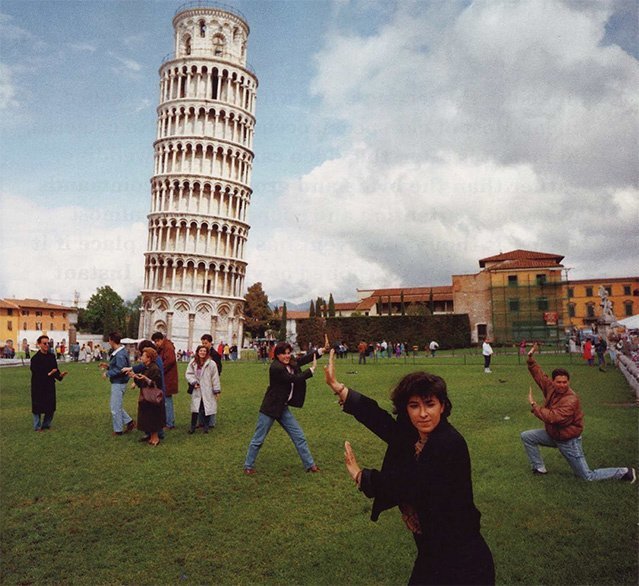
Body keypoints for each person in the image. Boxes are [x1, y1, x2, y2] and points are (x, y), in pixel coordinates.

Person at [323, 349, 494, 585]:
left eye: (430, 404)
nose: (423, 413)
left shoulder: (448, 443)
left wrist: (361, 476)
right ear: (406, 409)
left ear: (442, 406)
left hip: (462, 561)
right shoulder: (416, 435)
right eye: (414, 406)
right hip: (433, 552)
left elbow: (407, 484)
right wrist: (338, 387)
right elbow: (381, 420)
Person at [521, 343, 635, 482]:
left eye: (565, 382)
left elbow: (554, 418)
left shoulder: (571, 399)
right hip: (554, 435)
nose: (562, 385)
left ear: (568, 382)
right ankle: (539, 468)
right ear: (553, 382)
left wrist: (534, 405)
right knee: (527, 437)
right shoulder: (551, 388)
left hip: (568, 441)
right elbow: (540, 377)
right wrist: (531, 359)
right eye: (559, 382)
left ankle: (624, 472)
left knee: (587, 476)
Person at [243, 338, 329, 475]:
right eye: (284, 353)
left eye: (289, 353)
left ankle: (310, 465)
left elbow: (303, 360)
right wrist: (310, 372)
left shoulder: (290, 361)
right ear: (277, 355)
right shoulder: (276, 367)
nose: (287, 356)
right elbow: (293, 379)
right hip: (270, 409)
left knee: (299, 436)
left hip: (282, 408)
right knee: (258, 439)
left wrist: (320, 351)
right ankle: (248, 466)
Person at [99, 332, 135, 436]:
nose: (108, 342)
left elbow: (121, 369)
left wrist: (108, 373)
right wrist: (108, 366)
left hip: (119, 383)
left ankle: (118, 430)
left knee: (115, 408)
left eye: (109, 340)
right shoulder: (121, 352)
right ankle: (129, 422)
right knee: (117, 405)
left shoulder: (119, 354)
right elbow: (120, 367)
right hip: (120, 382)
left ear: (111, 340)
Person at [30, 335, 68, 431]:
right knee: (37, 407)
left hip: (49, 385)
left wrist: (60, 376)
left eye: (48, 343)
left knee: (50, 406)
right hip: (38, 385)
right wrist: (49, 373)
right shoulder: (35, 359)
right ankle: (37, 426)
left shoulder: (51, 356)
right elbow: (36, 372)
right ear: (39, 344)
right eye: (45, 343)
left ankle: (46, 424)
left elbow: (55, 369)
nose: (47, 345)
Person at [130, 347, 165, 446]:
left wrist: (145, 378)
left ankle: (155, 438)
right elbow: (143, 382)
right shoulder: (147, 367)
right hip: (147, 397)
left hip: (153, 398)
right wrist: (135, 377)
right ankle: (150, 436)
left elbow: (155, 383)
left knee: (153, 417)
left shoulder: (154, 368)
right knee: (147, 417)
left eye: (143, 356)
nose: (141, 357)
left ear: (149, 358)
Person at [185, 345, 221, 433]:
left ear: (207, 353)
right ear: (198, 352)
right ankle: (192, 427)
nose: (202, 352)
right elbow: (189, 374)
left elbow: (215, 377)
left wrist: (216, 390)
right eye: (201, 351)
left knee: (206, 407)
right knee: (195, 408)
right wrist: (193, 382)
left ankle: (206, 427)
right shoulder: (193, 362)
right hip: (197, 388)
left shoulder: (211, 363)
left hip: (207, 388)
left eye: (204, 351)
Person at [151, 332, 179, 429]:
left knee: (167, 400)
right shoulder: (164, 347)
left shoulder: (168, 347)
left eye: (156, 342)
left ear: (160, 339)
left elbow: (170, 361)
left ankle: (169, 423)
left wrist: (160, 370)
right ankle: (167, 421)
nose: (156, 344)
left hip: (168, 377)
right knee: (165, 400)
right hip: (166, 376)